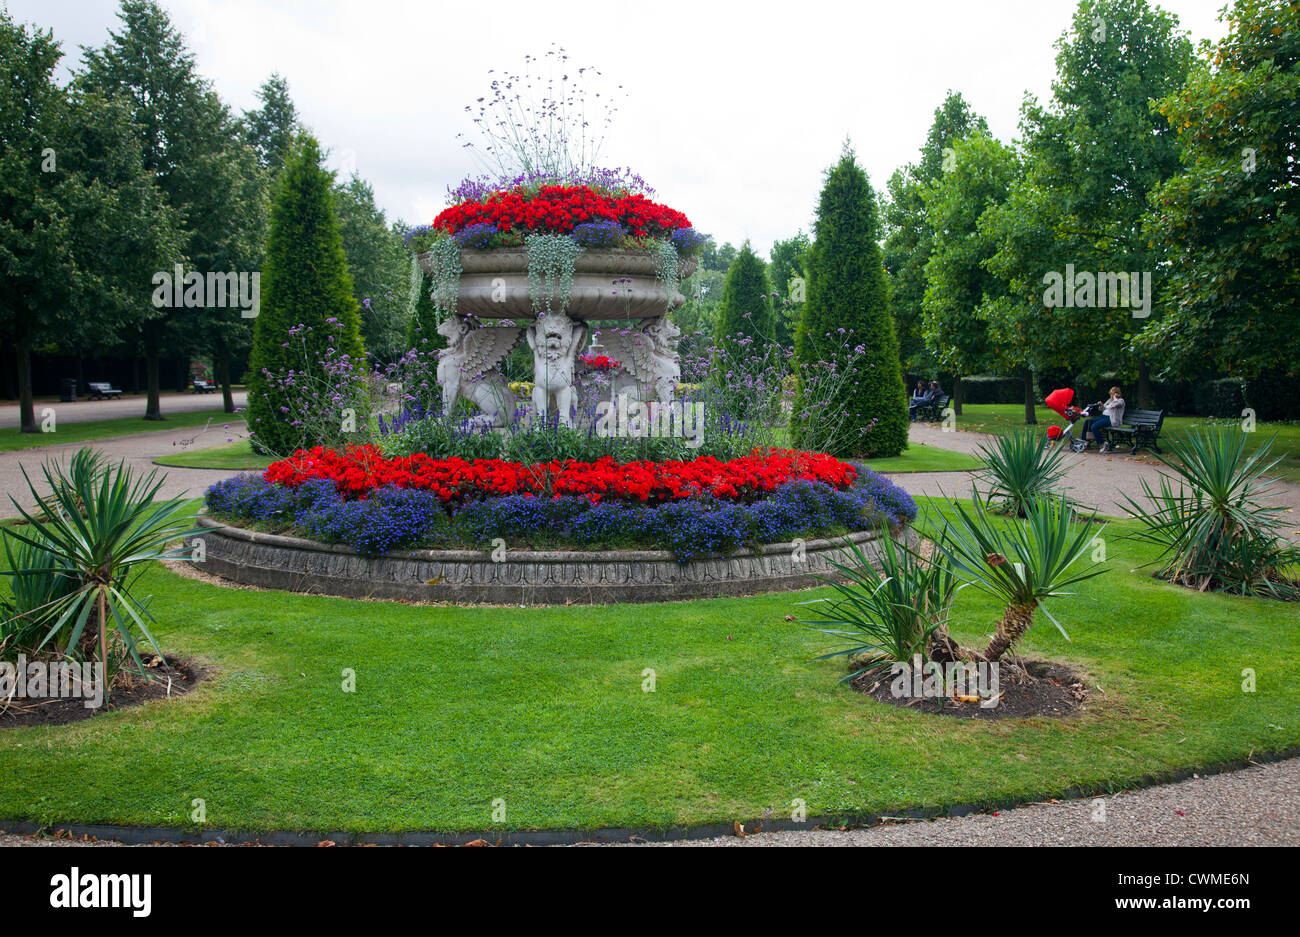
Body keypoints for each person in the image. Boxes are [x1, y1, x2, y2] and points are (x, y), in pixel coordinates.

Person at [1084, 386, 1125, 452]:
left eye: (1112, 394)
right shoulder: (1109, 400)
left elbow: (1113, 405)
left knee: (1094, 426)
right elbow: (1102, 409)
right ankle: (1085, 441)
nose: (1111, 395)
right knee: (1087, 421)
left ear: (1117, 394)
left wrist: (1114, 398)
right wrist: (1101, 405)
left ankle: (1102, 444)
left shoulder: (1120, 401)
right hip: (1103, 416)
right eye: (1111, 394)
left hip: (1111, 419)